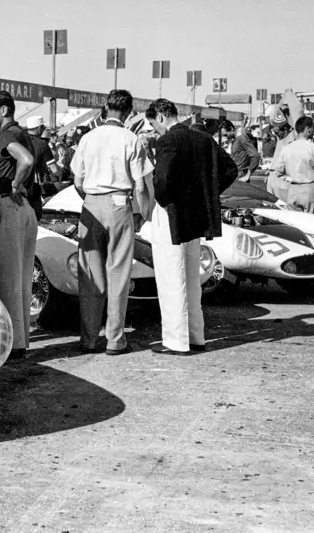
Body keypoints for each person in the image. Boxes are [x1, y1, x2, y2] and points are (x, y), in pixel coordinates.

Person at [146, 98, 238, 356]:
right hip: (196, 217)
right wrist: (207, 194)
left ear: (161, 117)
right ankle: (196, 336)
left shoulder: (167, 141)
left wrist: (165, 201)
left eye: (155, 126)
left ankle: (175, 341)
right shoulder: (204, 138)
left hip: (172, 215)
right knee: (191, 279)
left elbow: (161, 181)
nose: (156, 131)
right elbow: (230, 169)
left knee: (170, 278)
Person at [70, 90, 153, 356]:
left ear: (106, 108)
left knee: (91, 274)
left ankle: (89, 338)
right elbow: (140, 185)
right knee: (118, 272)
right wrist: (142, 213)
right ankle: (115, 338)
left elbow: (77, 181)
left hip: (91, 204)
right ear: (129, 112)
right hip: (120, 204)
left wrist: (91, 199)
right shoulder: (132, 139)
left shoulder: (87, 138)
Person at [0, 90, 37, 358]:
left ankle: (12, 346)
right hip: (24, 209)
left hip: (7, 204)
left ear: (3, 110)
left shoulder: (7, 134)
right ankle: (20, 341)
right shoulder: (21, 132)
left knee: (5, 277)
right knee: (22, 278)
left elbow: (25, 160)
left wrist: (14, 184)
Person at [274, 116, 314, 213]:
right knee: (309, 223)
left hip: (292, 190)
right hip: (309, 188)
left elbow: (279, 171)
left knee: (295, 222)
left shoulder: (286, 148)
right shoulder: (311, 147)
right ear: (308, 130)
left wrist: (289, 178)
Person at [25, 115, 51, 220]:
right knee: (35, 217)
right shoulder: (42, 144)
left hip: (16, 186)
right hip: (33, 186)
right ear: (39, 128)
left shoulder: (18, 140)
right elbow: (54, 169)